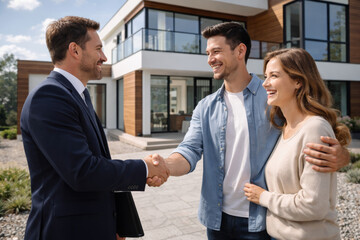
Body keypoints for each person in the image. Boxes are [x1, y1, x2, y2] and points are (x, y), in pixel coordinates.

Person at [147, 22, 350, 239]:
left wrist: (343, 155)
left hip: (262, 220)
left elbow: (310, 125)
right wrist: (164, 165)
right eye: (208, 53)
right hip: (217, 220)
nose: (210, 59)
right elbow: (189, 150)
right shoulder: (206, 107)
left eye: (216, 51)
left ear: (240, 51)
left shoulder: (275, 97)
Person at [20, 16, 169, 240]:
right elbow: (83, 171)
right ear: (75, 50)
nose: (104, 57)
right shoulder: (49, 97)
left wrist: (117, 224)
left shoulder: (79, 94)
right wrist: (145, 168)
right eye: (98, 48)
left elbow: (101, 161)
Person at [243, 48, 351, 240]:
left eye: (274, 76)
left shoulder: (314, 129)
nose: (265, 83)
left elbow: (313, 206)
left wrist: (263, 197)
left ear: (298, 81)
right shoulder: (283, 128)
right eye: (265, 76)